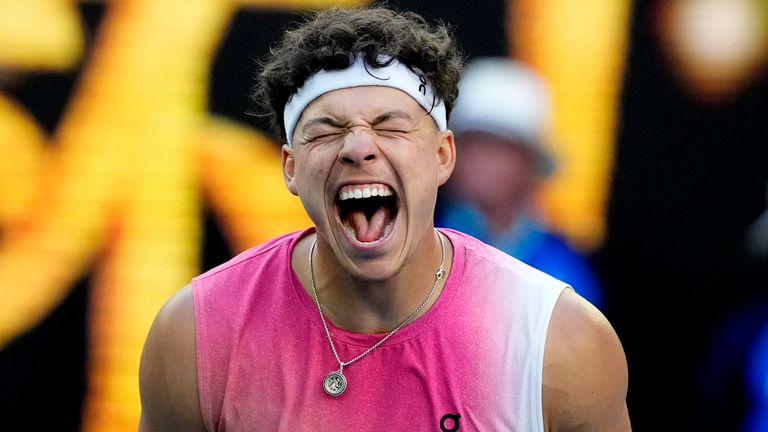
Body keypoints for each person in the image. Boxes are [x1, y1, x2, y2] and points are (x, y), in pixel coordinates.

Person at [138, 6, 631, 431]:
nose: (357, 148)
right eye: (326, 131)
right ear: (290, 168)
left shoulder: (560, 339)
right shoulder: (195, 335)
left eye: (390, 126)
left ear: (442, 156)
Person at [438, 57, 603, 307]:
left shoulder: (565, 273)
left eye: (497, 147)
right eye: (470, 144)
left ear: (530, 163)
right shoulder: (414, 246)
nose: (478, 161)